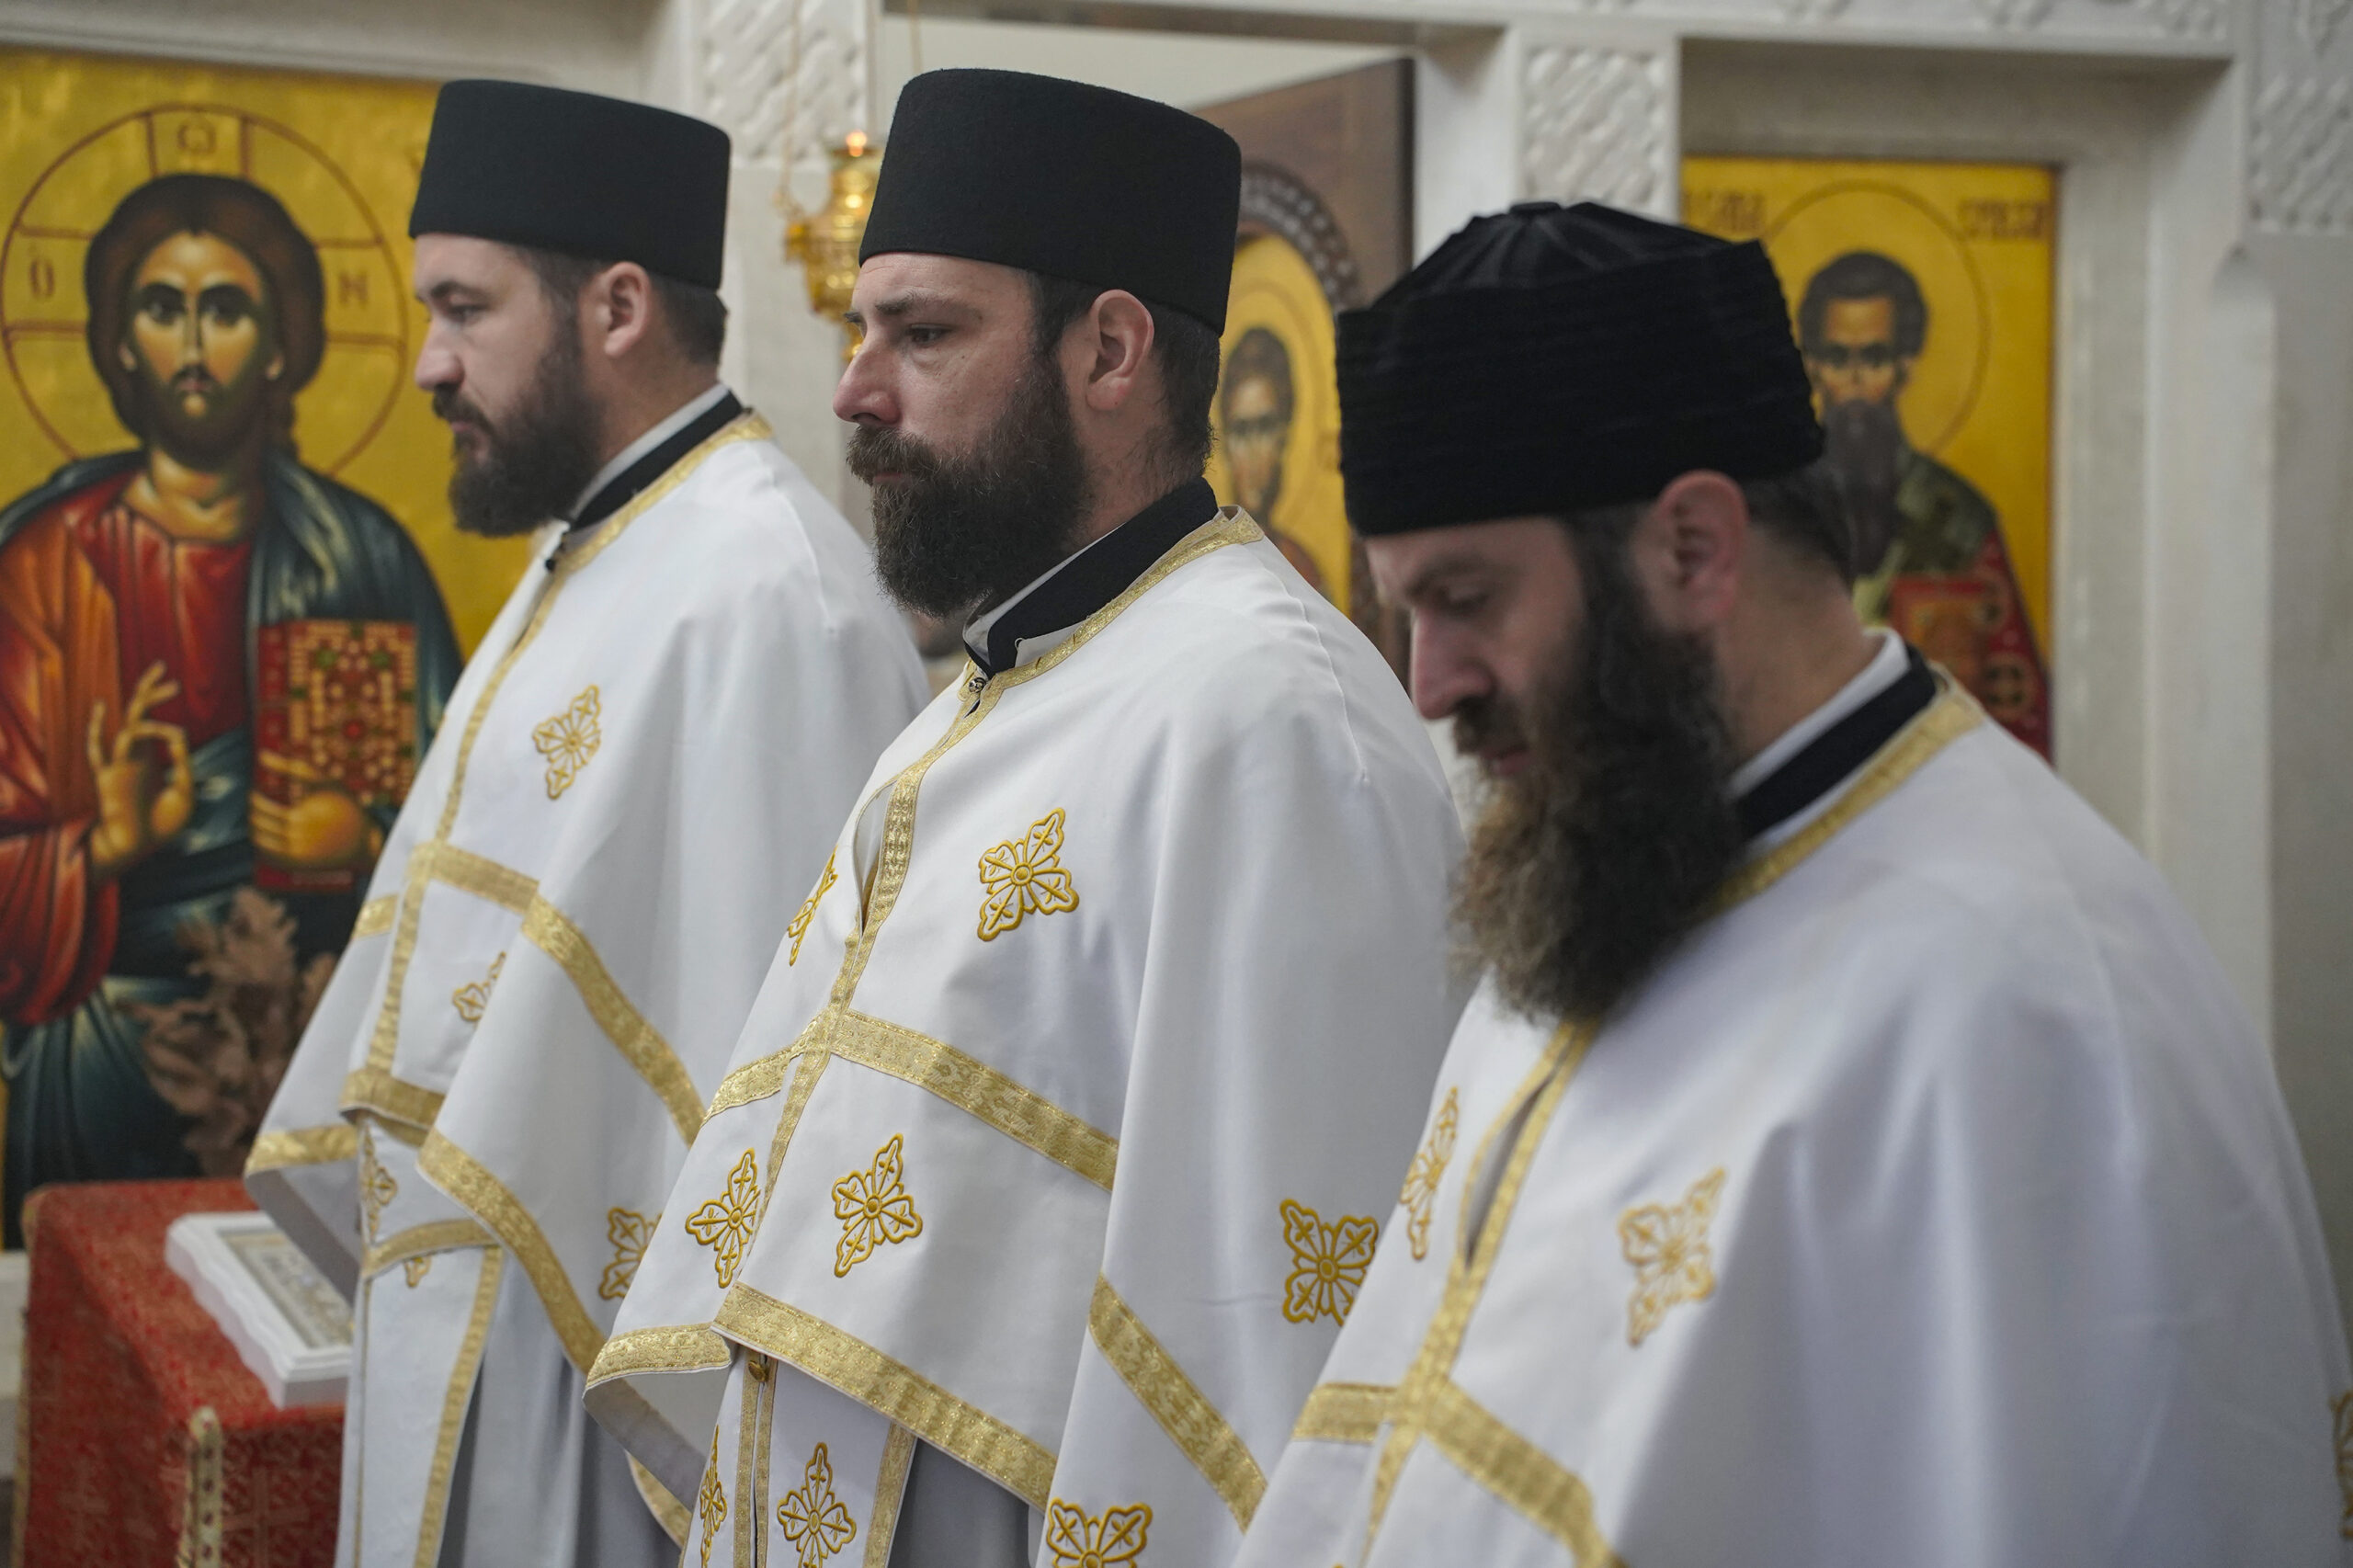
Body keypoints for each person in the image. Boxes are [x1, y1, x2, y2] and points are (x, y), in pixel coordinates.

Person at [1235, 201, 2353, 1566]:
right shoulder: (1594, 883)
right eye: (1403, 610)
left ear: (1695, 548)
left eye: (1464, 599)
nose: (1426, 685)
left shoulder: (2036, 1012)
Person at [588, 69, 1466, 1568]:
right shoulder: (990, 693)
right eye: (864, 330)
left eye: (923, 334)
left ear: (1109, 349)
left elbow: (1285, 1349)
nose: (856, 390)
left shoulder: (1275, 723)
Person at [245, 80, 926, 1567]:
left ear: (617, 307)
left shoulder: (772, 597)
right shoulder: (597, 545)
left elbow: (768, 1100)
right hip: (472, 1327)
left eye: (464, 308)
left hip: (596, 1388)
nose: (429, 363)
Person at [0, 173, 459, 1241]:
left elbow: (483, 813)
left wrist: (364, 838)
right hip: (104, 1062)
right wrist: (102, 844)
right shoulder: (43, 562)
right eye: (164, 308)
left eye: (228, 308)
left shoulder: (362, 553)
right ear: (119, 342)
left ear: (282, 342)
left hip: (318, 1044)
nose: (196, 345)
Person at [1800, 249, 2049, 753]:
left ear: (1905, 364)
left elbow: (2015, 704)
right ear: (1813, 365)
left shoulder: (1961, 521)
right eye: (1837, 358)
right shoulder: (1768, 512)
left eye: (1874, 358)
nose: (1854, 382)